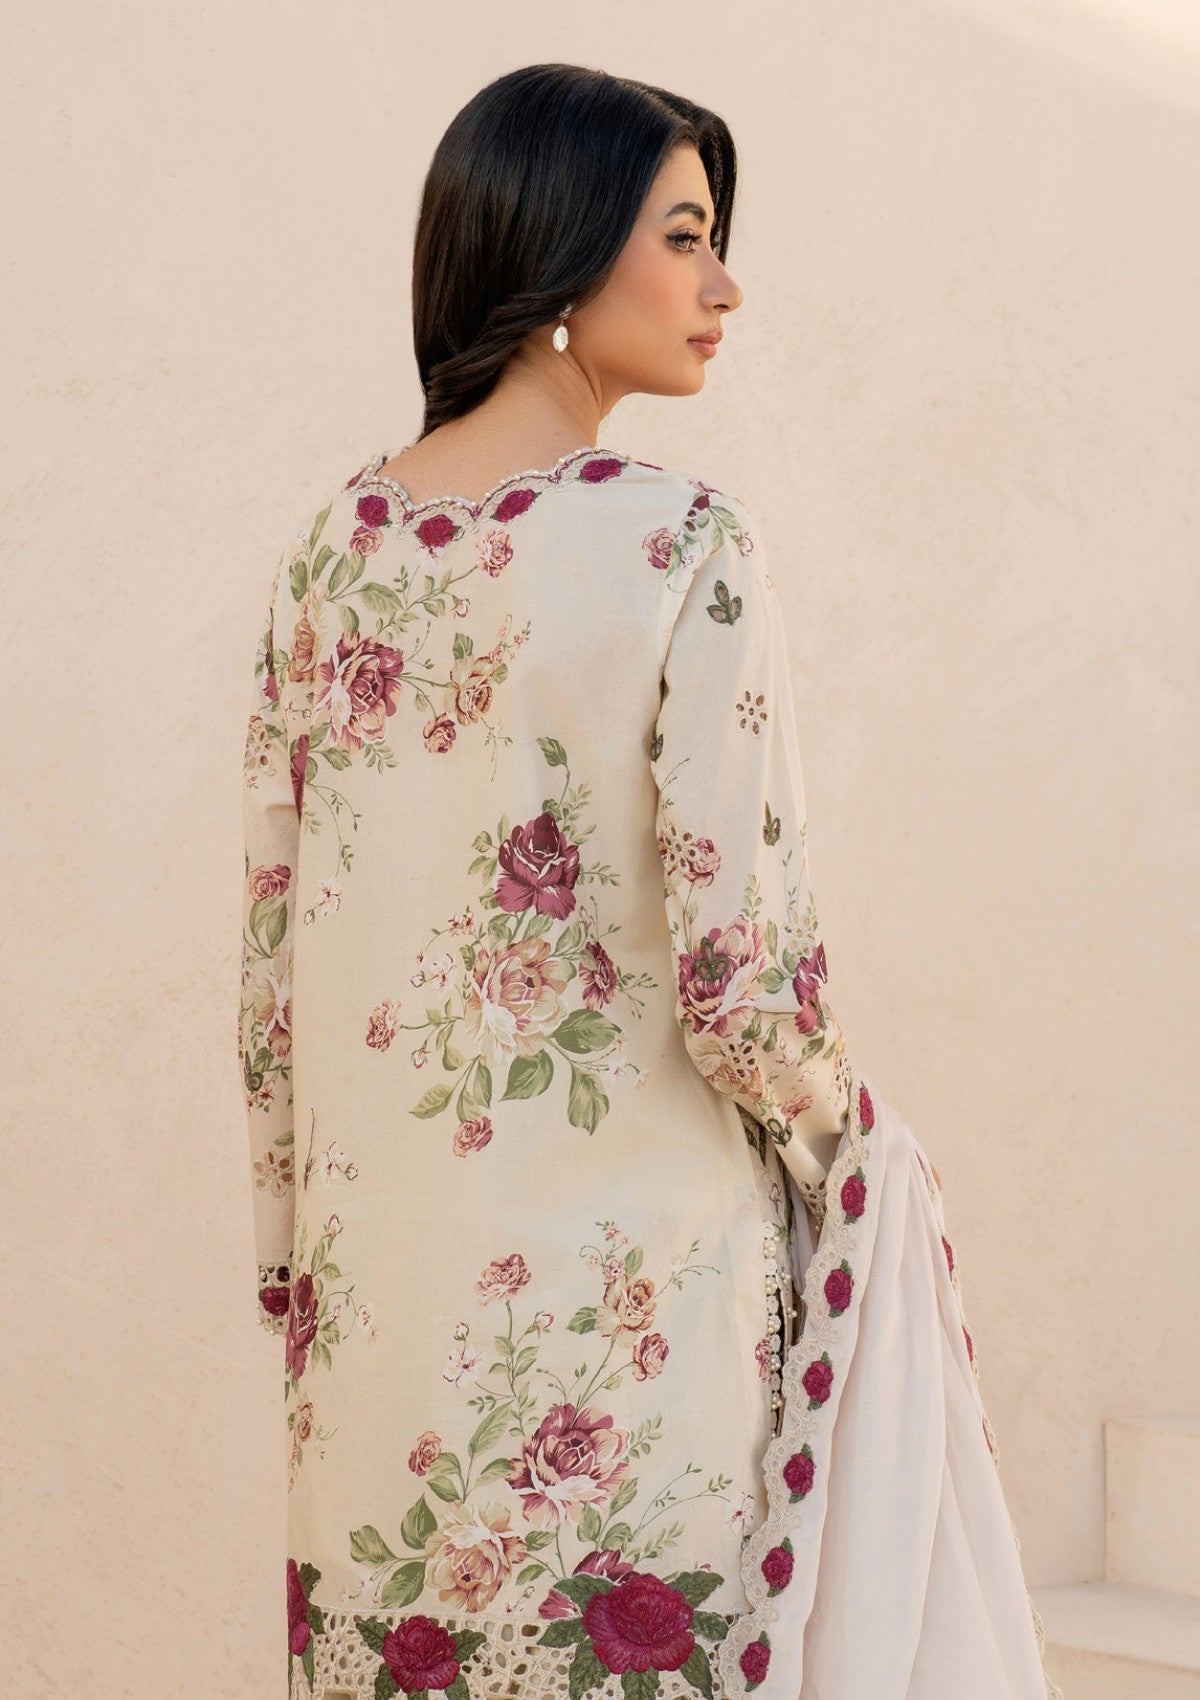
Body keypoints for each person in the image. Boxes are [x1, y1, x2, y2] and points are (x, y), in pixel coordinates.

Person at [239, 63, 1062, 1700]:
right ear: (558, 249)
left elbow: (273, 986)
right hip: (629, 1347)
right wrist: (860, 1149)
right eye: (684, 238)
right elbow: (746, 993)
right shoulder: (683, 546)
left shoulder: (328, 554)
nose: (725, 285)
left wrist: (295, 1264)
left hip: (378, 1337)